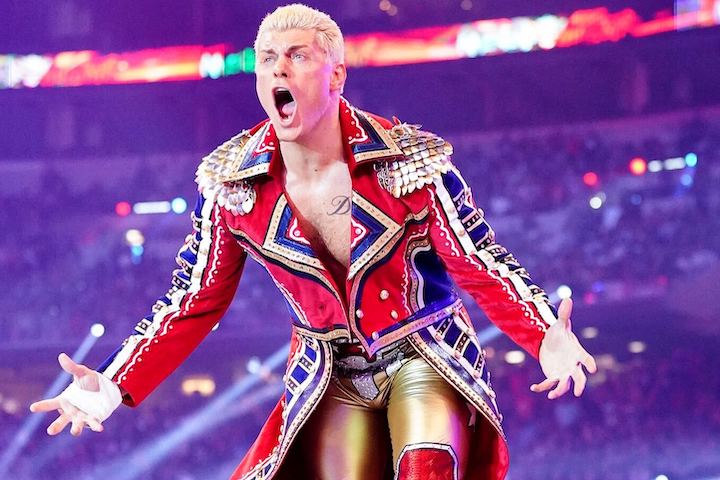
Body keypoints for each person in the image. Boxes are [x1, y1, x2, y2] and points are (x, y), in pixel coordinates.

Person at [30, 4, 597, 479]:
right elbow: (192, 300)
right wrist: (112, 381)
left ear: (337, 75)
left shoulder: (408, 159)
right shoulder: (231, 186)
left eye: (299, 56)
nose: (280, 68)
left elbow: (478, 261)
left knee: (425, 465)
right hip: (327, 372)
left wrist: (544, 333)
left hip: (424, 352)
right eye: (268, 59)